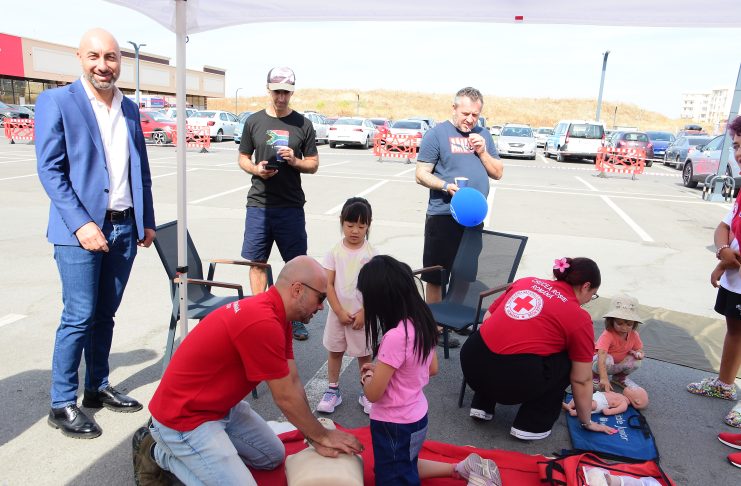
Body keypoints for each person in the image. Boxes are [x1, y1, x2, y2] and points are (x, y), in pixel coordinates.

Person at [134, 256, 364, 485]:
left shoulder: (278, 315)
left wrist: (315, 436)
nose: (322, 306)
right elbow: (285, 397)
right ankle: (157, 453)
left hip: (220, 407)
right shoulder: (263, 322)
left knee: (272, 457)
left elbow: (292, 381)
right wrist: (322, 436)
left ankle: (200, 452)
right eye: (320, 297)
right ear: (297, 290)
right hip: (185, 419)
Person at [35, 28, 156, 440]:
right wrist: (82, 223)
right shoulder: (57, 101)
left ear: (120, 61)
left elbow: (140, 169)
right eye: (94, 56)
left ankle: (97, 386)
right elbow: (50, 170)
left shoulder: (129, 108)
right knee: (78, 316)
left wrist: (146, 219)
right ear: (80, 58)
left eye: (110, 57)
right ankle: (61, 402)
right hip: (80, 230)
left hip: (124, 226)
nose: (103, 65)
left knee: (105, 314)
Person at [357, 255, 501, 486]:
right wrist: (384, 369)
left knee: (392, 476)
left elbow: (373, 394)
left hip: (393, 423)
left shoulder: (395, 336)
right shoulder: (420, 321)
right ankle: (461, 468)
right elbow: (431, 368)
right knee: (404, 463)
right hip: (417, 416)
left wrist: (368, 375)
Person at [460, 257, 617, 440]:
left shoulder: (526, 282)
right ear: (586, 286)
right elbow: (582, 379)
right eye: (593, 295)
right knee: (570, 361)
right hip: (511, 382)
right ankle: (531, 425)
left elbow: (488, 318)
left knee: (499, 338)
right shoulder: (579, 317)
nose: (589, 300)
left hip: (472, 364)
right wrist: (586, 421)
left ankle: (482, 404)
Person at [414, 86, 503, 347]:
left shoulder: (483, 135)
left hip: (473, 219)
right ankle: (435, 327)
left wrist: (483, 152)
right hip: (443, 216)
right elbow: (421, 173)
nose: (470, 119)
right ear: (454, 108)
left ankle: (453, 319)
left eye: (475, 115)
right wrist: (445, 186)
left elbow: (498, 173)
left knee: (465, 274)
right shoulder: (437, 134)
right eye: (465, 114)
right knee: (437, 276)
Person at [238, 66, 319, 341]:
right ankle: (258, 316)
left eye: (286, 92)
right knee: (257, 262)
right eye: (277, 92)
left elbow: (313, 164)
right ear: (268, 89)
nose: (281, 97)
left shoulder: (302, 124)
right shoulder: (254, 121)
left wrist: (295, 160)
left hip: (290, 206)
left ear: (292, 92)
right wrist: (256, 169)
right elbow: (242, 157)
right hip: (259, 204)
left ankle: (295, 318)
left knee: (296, 265)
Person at [696, 115, 741, 427]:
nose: (738, 153)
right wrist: (723, 251)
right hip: (735, 279)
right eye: (737, 146)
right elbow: (724, 225)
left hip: (733, 271)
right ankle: (724, 385)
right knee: (734, 330)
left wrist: (724, 261)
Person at [316, 198, 377, 415]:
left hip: (363, 315)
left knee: (364, 355)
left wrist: (365, 313)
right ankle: (333, 390)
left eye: (361, 226)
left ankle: (366, 392)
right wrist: (339, 311)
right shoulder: (334, 252)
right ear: (342, 222)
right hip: (337, 315)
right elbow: (328, 285)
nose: (355, 231)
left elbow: (375, 288)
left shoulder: (372, 254)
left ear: (368, 225)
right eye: (350, 225)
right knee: (335, 351)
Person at [593, 294, 646, 394]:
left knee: (636, 362)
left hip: (617, 365)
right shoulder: (608, 335)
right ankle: (595, 376)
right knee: (607, 359)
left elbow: (639, 349)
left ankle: (618, 378)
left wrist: (639, 354)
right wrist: (604, 378)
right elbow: (602, 355)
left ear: (634, 323)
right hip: (601, 364)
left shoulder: (634, 334)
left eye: (629, 324)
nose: (624, 328)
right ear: (611, 321)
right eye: (620, 323)